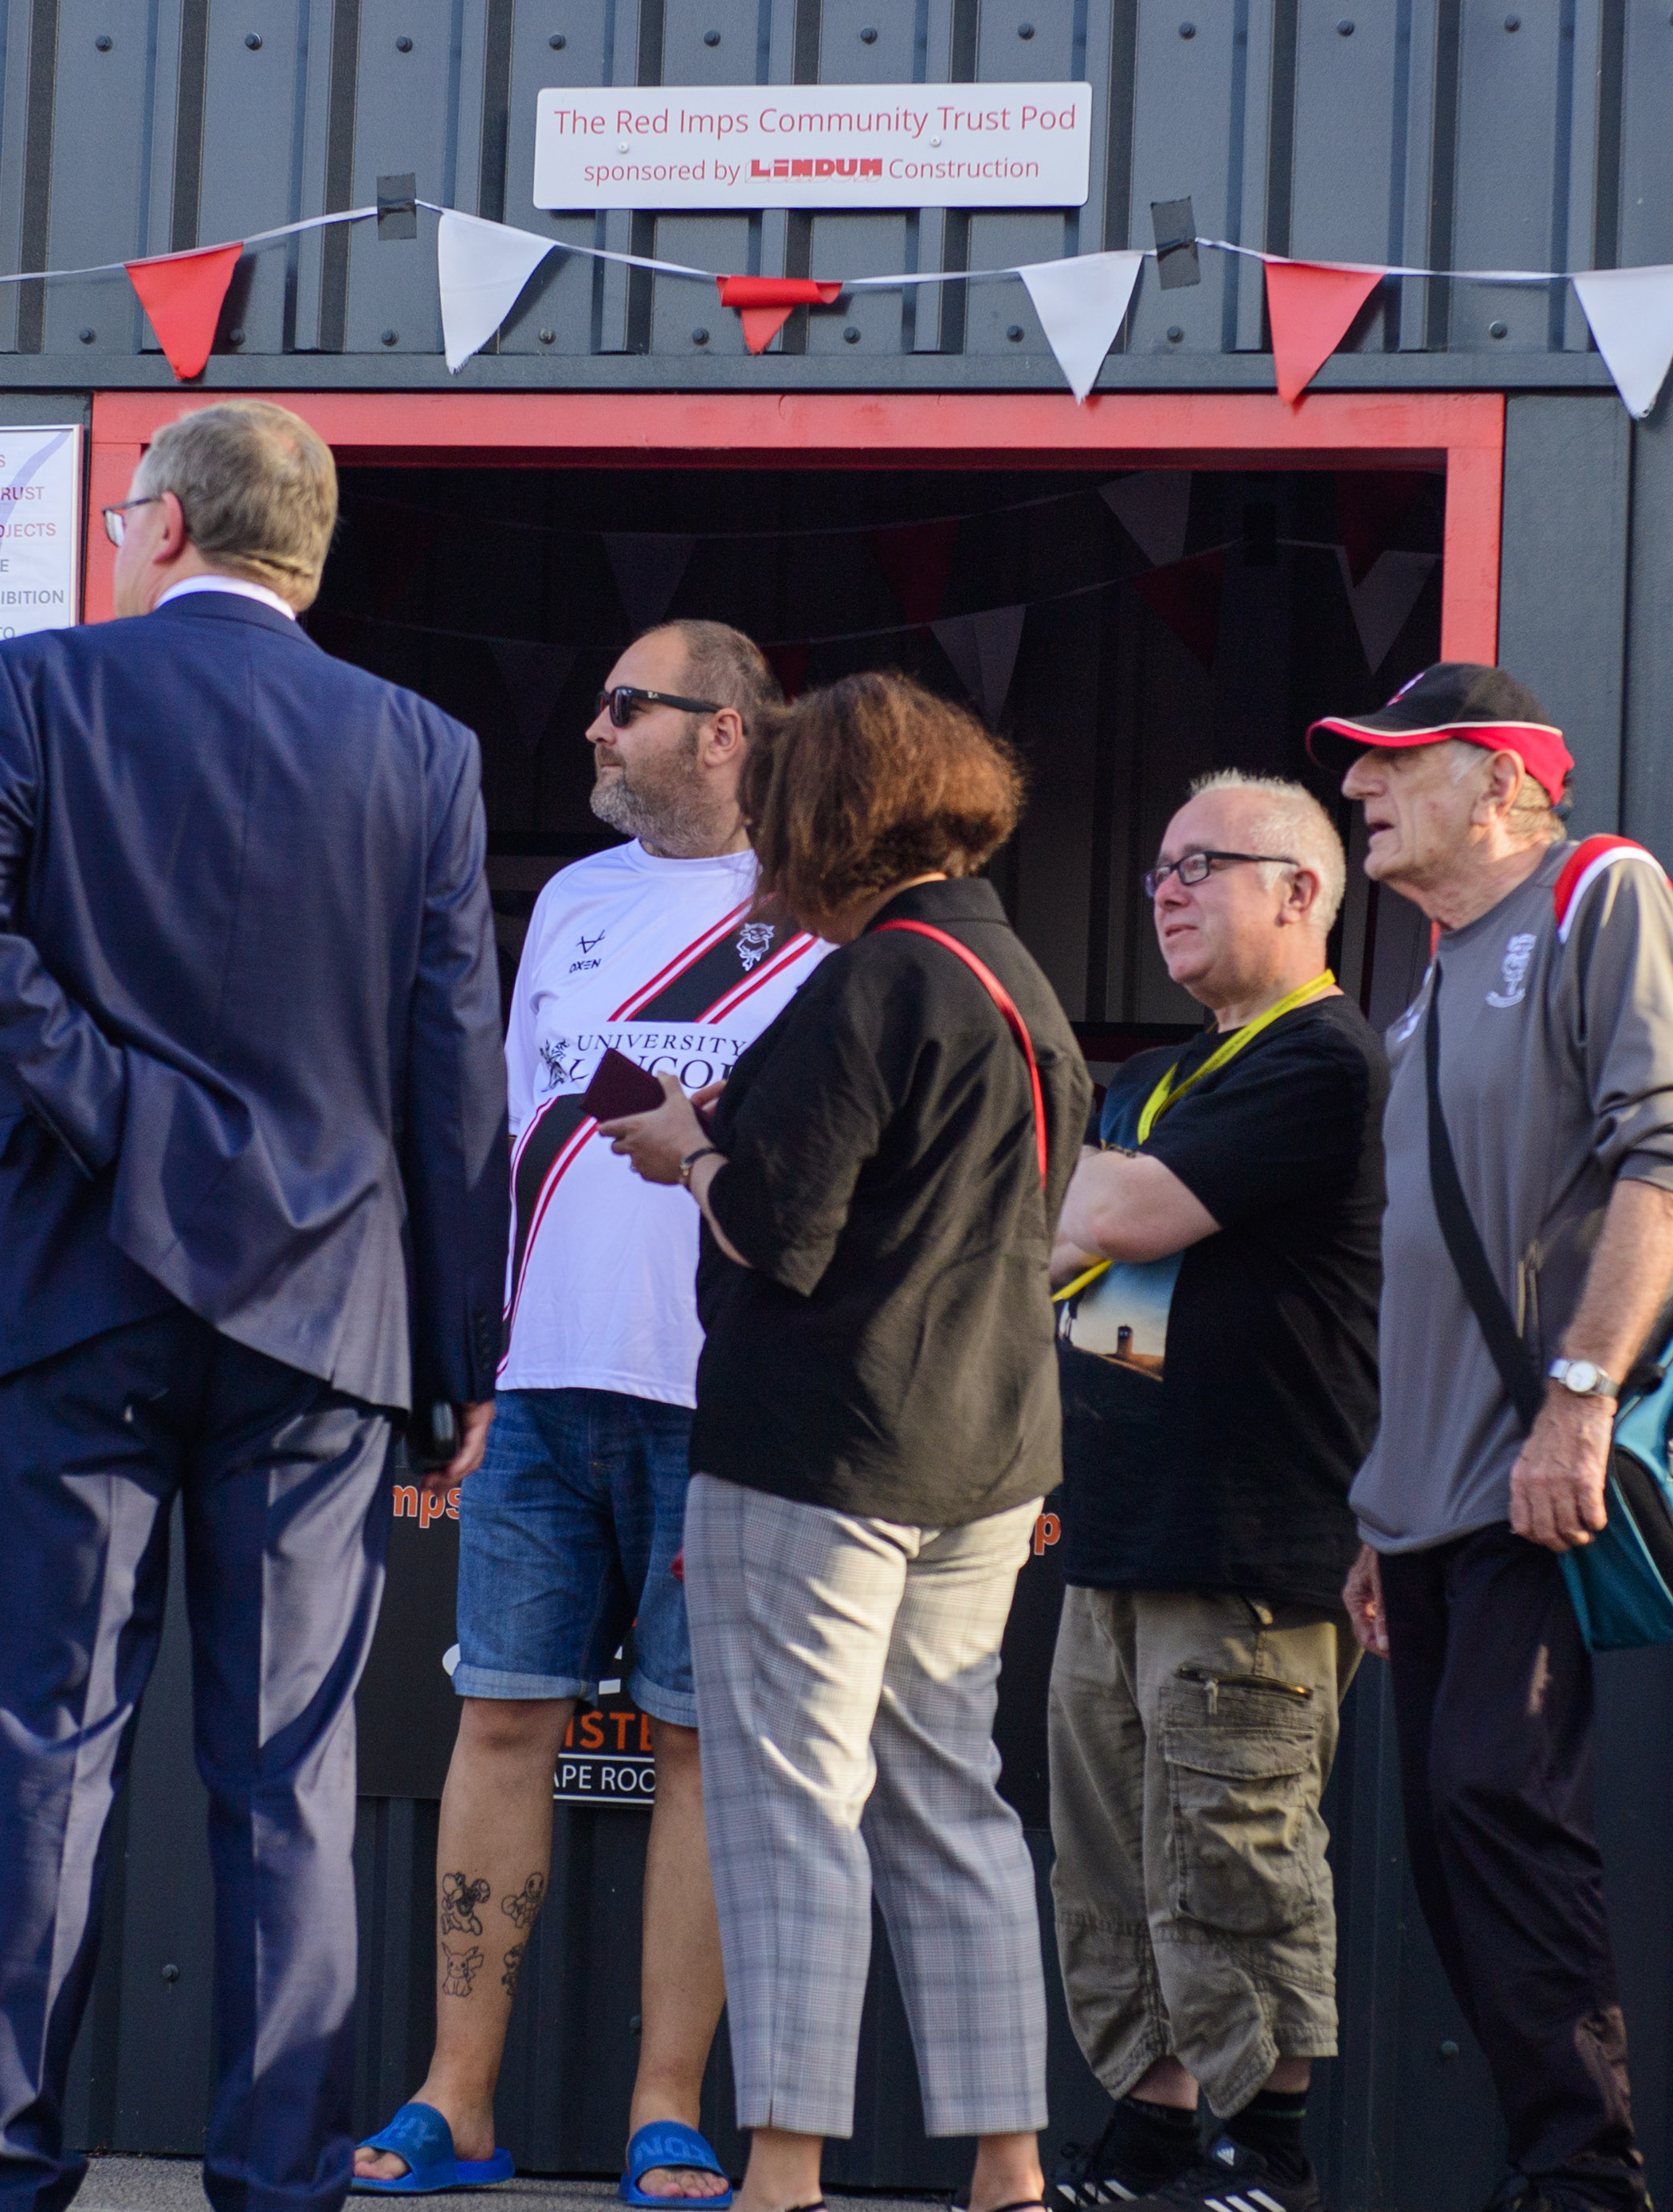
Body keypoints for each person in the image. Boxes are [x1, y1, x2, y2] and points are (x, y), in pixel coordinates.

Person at [0, 399, 505, 2212]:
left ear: (158, 524)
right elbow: (452, 1076)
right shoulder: (422, 748)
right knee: (289, 1770)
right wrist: (455, 1359)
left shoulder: (42, 686)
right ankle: (276, 2177)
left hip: (79, 1281)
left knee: (43, 1748)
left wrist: (104, 1096)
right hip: (325, 1318)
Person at [599, 674, 1089, 2212]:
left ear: (833, 814)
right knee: (954, 1801)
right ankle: (1008, 2171)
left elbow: (773, 1225)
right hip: (988, 1450)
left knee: (789, 1800)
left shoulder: (871, 979)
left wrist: (689, 1153)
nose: (759, 839)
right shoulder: (1015, 976)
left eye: (777, 812)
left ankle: (784, 2170)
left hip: (817, 1445)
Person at [352, 622, 820, 2208]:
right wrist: (469, 1363)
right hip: (544, 1392)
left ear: (727, 732)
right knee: (496, 1716)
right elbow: (500, 1135)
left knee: (698, 1751)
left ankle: (665, 2109)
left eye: (626, 707)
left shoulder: (824, 913)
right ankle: (455, 2097)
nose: (594, 731)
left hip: (728, 1402)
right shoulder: (565, 897)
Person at [1318, 666, 1673, 2212]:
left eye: (1391, 764)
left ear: (1497, 781)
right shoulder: (1431, 978)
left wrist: (1579, 1392)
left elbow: (1663, 1156)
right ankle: (1552, 2162)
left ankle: (1583, 2183)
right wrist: (1378, 1506)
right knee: (1448, 1836)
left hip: (1533, 1476)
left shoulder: (1594, 895)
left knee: (1499, 1799)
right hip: (1421, 1502)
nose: (1359, 789)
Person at [1039, 773, 1384, 2212]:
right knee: (1113, 1861)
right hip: (1118, 1531)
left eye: (1202, 867)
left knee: (1234, 1852)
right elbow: (1063, 1254)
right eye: (1157, 871)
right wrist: (1084, 1193)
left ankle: (1271, 2157)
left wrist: (1087, 1190)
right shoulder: (1158, 1078)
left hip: (1252, 1542)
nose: (1165, 890)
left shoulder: (1321, 1062)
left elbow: (1105, 1219)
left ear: (1300, 892)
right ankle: (1157, 2136)